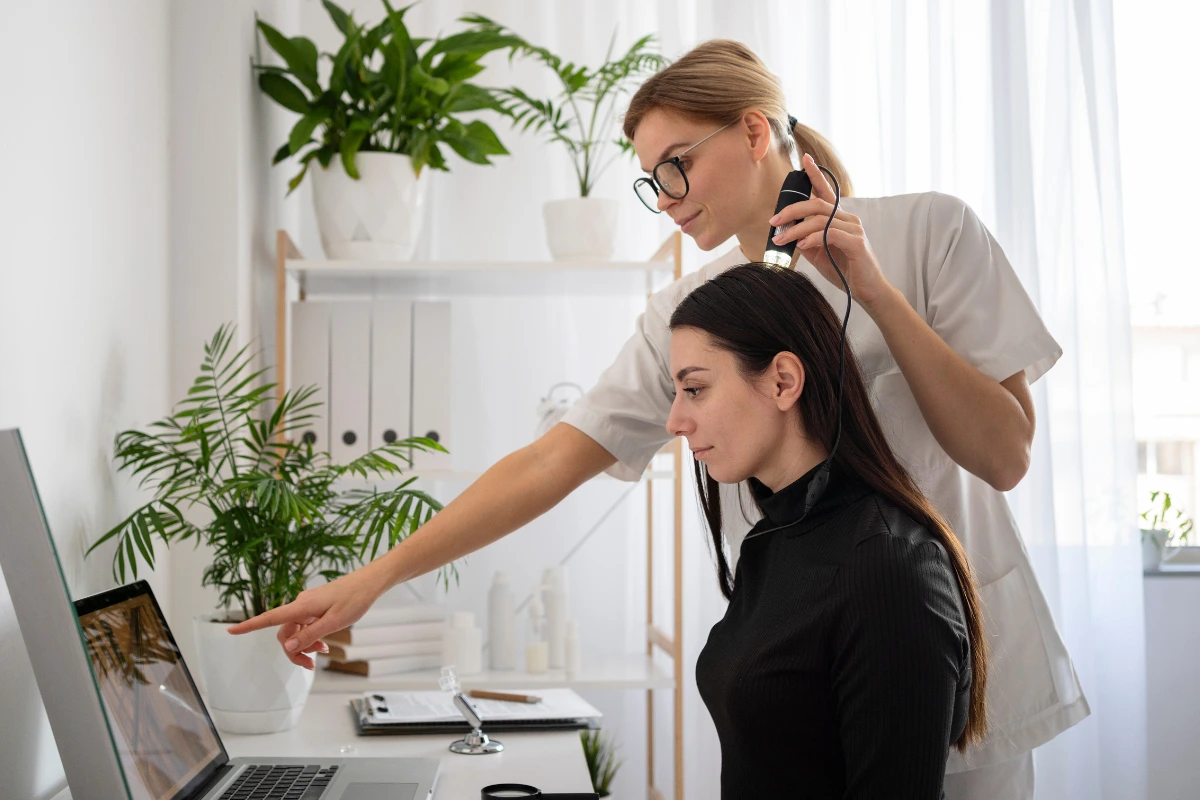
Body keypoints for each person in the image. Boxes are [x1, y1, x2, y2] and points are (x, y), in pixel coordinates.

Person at [230, 39, 1088, 798]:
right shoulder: (689, 314)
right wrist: (371, 580)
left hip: (943, 651)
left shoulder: (928, 233)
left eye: (678, 162)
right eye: (651, 180)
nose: (666, 194)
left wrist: (872, 288)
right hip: (802, 668)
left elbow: (1004, 454)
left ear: (756, 133)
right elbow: (549, 462)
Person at [671, 262, 986, 798]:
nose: (676, 420)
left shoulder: (889, 568)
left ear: (783, 381)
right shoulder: (768, 542)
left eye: (695, 389)